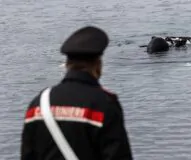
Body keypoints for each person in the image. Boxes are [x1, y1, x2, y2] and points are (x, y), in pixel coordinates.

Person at [21, 26, 134, 160]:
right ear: (98, 64)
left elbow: (27, 155)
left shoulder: (38, 103)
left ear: (67, 64)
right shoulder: (104, 103)